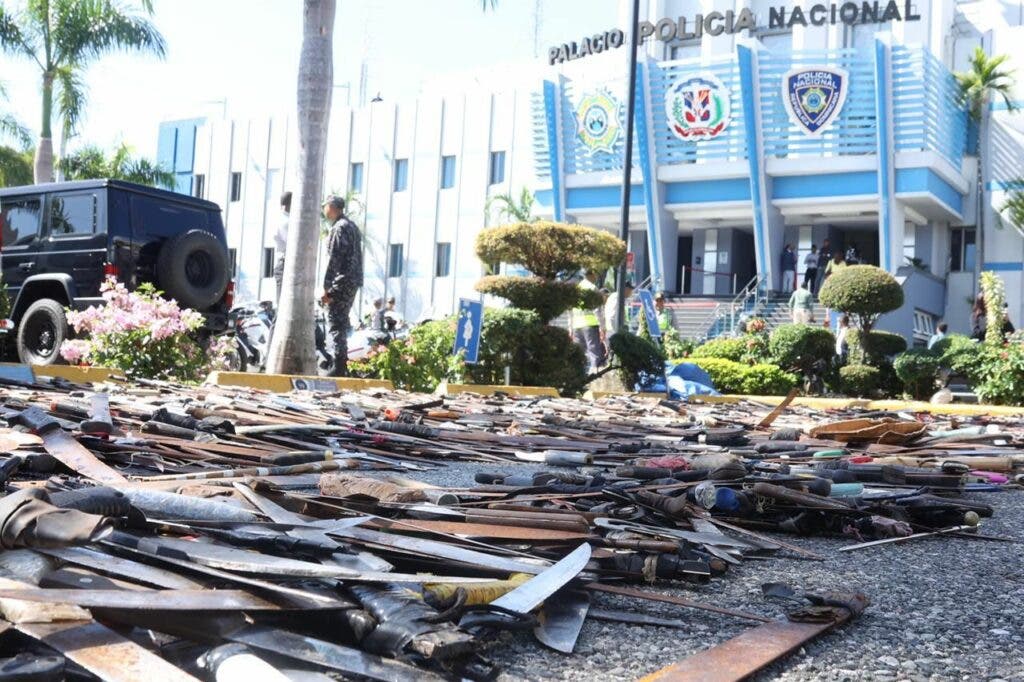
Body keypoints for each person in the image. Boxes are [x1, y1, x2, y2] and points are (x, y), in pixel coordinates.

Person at [321, 195, 363, 377]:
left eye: (325, 206)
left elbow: (334, 259)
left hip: (341, 281)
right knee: (342, 322)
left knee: (336, 323)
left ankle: (338, 367)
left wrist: (327, 287)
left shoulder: (339, 228)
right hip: (353, 281)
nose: (324, 210)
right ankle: (342, 365)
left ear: (332, 207)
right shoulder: (352, 226)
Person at [571, 270, 606, 372]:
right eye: (595, 275)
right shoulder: (592, 288)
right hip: (590, 324)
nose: (596, 277)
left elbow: (571, 309)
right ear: (591, 275)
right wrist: (602, 327)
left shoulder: (577, 288)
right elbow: (597, 310)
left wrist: (571, 326)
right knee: (594, 352)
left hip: (577, 325)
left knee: (579, 352)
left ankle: (577, 374)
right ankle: (595, 375)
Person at [274, 191, 291, 303]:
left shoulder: (281, 218)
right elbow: (290, 243)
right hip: (284, 261)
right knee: (283, 303)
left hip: (283, 261)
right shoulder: (286, 221)